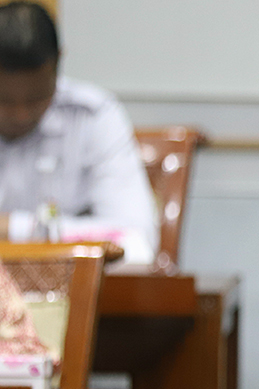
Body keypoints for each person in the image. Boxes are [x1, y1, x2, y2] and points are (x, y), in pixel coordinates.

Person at [0, 2, 157, 264]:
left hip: (71, 293)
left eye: (37, 99)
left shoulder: (93, 117)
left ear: (58, 62)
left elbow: (135, 240)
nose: (21, 114)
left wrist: (15, 228)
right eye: (3, 100)